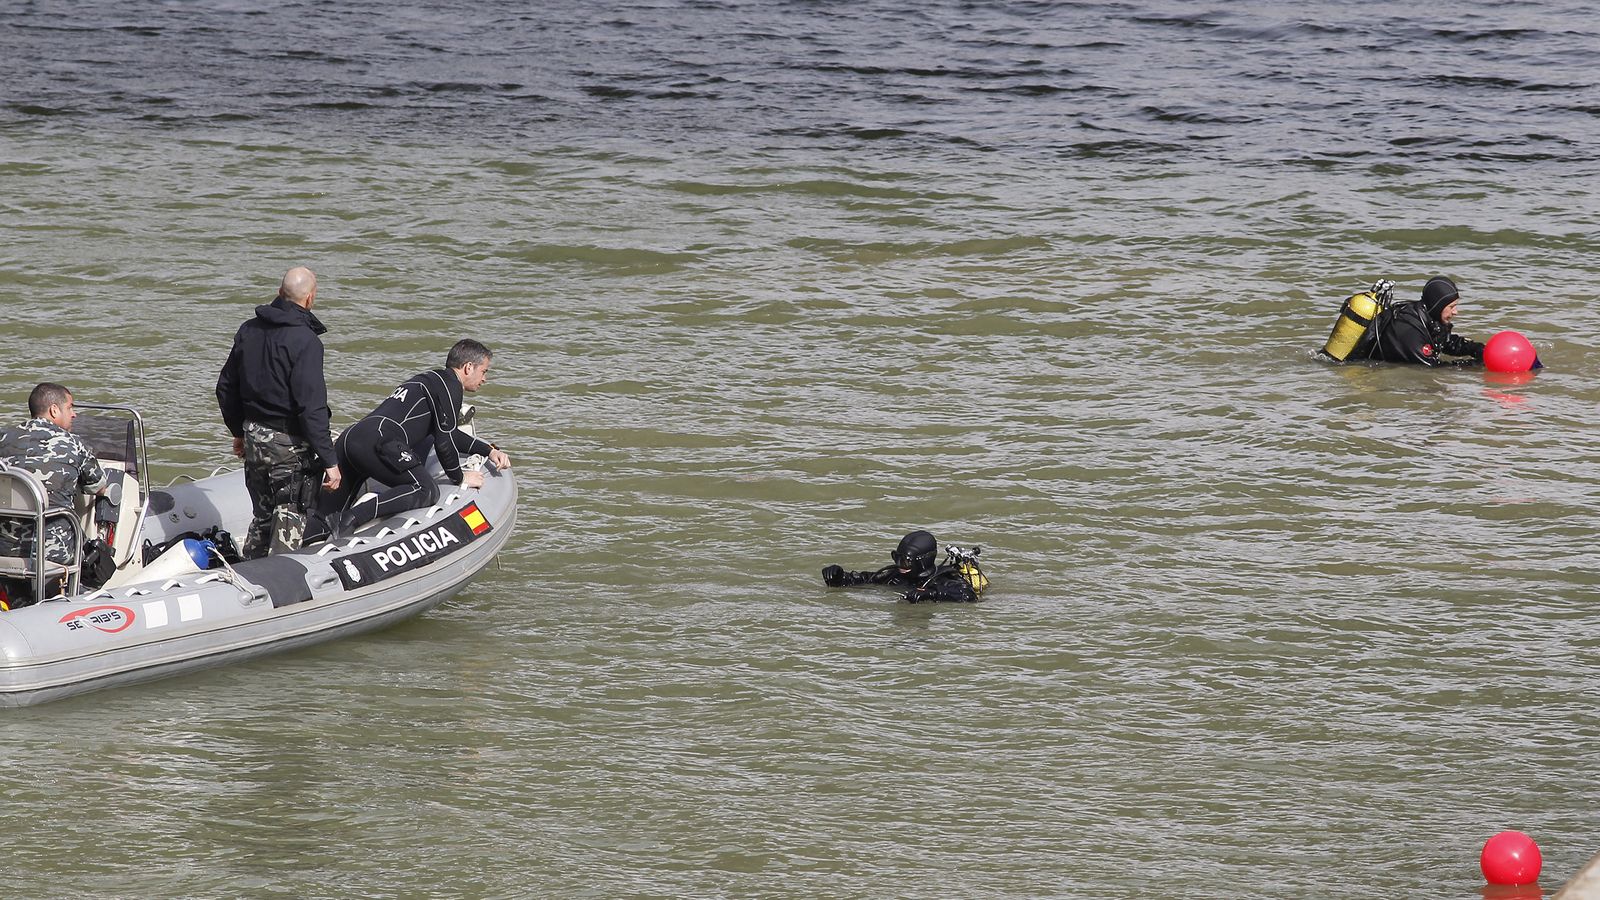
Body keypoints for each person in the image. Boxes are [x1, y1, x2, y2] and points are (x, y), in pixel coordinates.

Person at [306, 339, 512, 543]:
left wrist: (488, 450)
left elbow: (448, 433)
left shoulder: (428, 379)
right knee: (426, 489)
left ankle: (291, 551)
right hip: (380, 440)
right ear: (468, 367)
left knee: (323, 521)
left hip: (352, 437)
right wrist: (459, 477)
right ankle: (353, 516)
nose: (484, 379)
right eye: (484, 371)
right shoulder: (451, 386)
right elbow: (444, 442)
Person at [215, 266, 342, 558]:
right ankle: (279, 589)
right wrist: (330, 460)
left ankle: (250, 576)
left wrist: (239, 432)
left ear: (278, 293)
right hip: (288, 447)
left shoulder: (249, 330)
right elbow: (311, 408)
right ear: (310, 299)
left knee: (262, 514)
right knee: (290, 517)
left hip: (254, 436)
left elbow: (225, 388)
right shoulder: (306, 342)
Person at [0, 383, 109, 607]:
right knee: (95, 552)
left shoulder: (3, 438)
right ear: (54, 410)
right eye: (70, 407)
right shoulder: (74, 444)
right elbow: (98, 486)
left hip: (3, 544)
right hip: (53, 550)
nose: (75, 413)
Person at [821, 530, 984, 603]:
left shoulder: (943, 579)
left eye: (906, 561)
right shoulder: (894, 575)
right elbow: (865, 579)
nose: (900, 565)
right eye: (896, 559)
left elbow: (968, 595)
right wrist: (839, 577)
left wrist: (931, 594)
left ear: (922, 561)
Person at [1361, 275, 1485, 366]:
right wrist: (1473, 365)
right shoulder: (1409, 330)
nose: (1455, 312)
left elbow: (1442, 342)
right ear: (1438, 305)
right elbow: (1430, 368)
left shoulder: (1427, 317)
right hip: (1365, 369)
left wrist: (1475, 348)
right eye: (1451, 307)